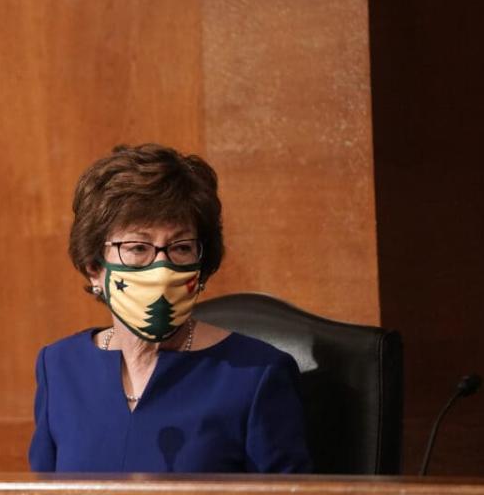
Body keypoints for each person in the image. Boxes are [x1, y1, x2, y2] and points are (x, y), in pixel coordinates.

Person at [28, 144, 312, 473]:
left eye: (180, 248)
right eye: (137, 247)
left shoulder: (256, 374)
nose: (162, 268)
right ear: (95, 266)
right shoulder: (60, 367)